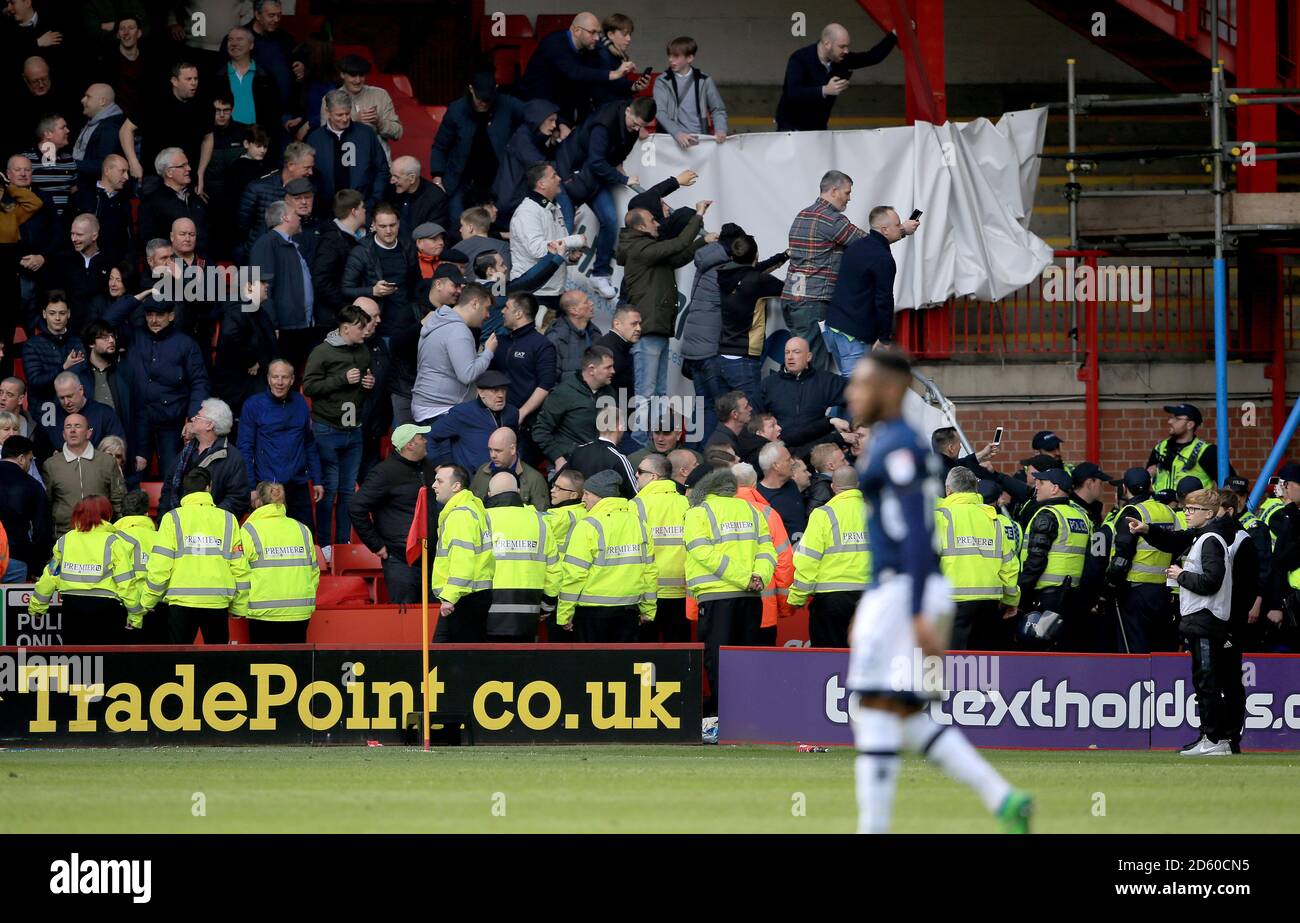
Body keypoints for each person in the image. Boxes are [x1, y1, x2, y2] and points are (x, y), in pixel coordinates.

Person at [844, 349, 1032, 834]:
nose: (851, 393)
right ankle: (1003, 798)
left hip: (906, 591)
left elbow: (913, 532)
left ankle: (874, 828)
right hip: (903, 592)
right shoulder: (900, 444)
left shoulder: (899, 448)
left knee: (870, 707)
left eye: (861, 384)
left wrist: (914, 612)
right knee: (902, 713)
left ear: (887, 390)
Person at [1129, 488, 1247, 756]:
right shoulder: (1204, 536)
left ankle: (1214, 739)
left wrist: (1181, 575)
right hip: (1202, 618)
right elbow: (1174, 539)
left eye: (1192, 509)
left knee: (1207, 682)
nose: (1187, 512)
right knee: (1205, 681)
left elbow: (1211, 581)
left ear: (1208, 513)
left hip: (1206, 618)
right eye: (1186, 508)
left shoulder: (1210, 540)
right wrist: (1148, 529)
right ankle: (1213, 738)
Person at [685, 467, 775, 721]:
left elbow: (702, 552)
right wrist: (758, 577)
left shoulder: (698, 513)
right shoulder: (751, 511)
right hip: (751, 597)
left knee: (718, 660)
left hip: (716, 597)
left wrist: (743, 577)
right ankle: (747, 717)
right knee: (746, 659)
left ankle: (723, 719)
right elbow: (767, 550)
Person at [143, 444, 249, 645]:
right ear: (209, 487)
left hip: (181, 602)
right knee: (217, 665)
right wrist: (239, 606)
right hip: (216, 601)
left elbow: (160, 566)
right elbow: (240, 567)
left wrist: (149, 599)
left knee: (178, 663)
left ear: (186, 489)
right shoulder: (228, 519)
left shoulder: (172, 519)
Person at [555, 96, 657, 297]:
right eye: (635, 124)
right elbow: (596, 162)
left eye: (641, 126)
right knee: (565, 227)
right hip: (570, 173)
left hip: (593, 179)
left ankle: (599, 274)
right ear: (628, 111)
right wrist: (622, 179)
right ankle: (554, 275)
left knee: (610, 220)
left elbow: (616, 155)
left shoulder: (632, 126)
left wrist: (618, 164)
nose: (637, 129)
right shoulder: (603, 124)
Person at [302, 303, 374, 559]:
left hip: (354, 430)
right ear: (345, 329)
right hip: (327, 429)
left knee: (347, 492)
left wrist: (367, 384)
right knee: (328, 489)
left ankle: (342, 544)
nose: (365, 331)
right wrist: (341, 380)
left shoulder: (363, 351)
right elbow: (308, 386)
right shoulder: (322, 352)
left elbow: (363, 388)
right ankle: (324, 546)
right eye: (360, 327)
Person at [556, 468, 656, 641]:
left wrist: (564, 614)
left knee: (593, 666)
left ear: (600, 496)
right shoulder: (639, 524)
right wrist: (648, 610)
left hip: (592, 614)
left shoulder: (588, 525)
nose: (583, 498)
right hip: (629, 610)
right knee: (622, 666)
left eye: (587, 494)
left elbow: (574, 575)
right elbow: (649, 572)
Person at [782, 171, 867, 371]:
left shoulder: (803, 214)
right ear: (834, 191)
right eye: (847, 192)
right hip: (812, 301)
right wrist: (900, 230)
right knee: (812, 365)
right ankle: (805, 402)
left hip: (792, 298)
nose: (849, 198)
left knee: (797, 360)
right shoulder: (830, 219)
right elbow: (866, 243)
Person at [29, 494, 140, 643]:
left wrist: (37, 607)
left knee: (77, 662)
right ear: (106, 514)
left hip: (72, 609)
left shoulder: (65, 541)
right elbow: (126, 582)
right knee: (106, 662)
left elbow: (50, 576)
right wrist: (135, 615)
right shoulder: (113, 542)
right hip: (106, 610)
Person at [933, 466, 1020, 651]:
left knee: (953, 663)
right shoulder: (993, 519)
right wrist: (1011, 600)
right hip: (989, 601)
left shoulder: (941, 516)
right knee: (982, 665)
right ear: (975, 490)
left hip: (952, 600)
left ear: (948, 490)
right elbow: (1009, 564)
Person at [237, 360, 323, 536]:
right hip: (268, 486)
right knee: (269, 539)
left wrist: (317, 479)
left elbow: (309, 443)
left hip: (297, 484)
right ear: (268, 379)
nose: (279, 382)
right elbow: (245, 448)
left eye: (284, 377)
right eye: (275, 377)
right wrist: (252, 488)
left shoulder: (300, 403)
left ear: (292, 380)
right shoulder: (253, 405)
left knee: (305, 537)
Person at [787, 464, 868, 647]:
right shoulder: (874, 512)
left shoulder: (823, 514)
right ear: (858, 485)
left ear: (833, 487)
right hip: (869, 597)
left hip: (831, 599)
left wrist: (797, 597)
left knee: (829, 661)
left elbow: (807, 559)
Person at [828, 206, 919, 367]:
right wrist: (884, 338)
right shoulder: (883, 258)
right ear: (884, 230)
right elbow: (884, 300)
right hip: (854, 333)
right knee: (856, 387)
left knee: (842, 382)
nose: (901, 227)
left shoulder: (855, 246)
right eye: (898, 225)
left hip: (834, 325)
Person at [350, 423, 430, 605]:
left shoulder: (427, 467)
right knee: (405, 623)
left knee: (434, 622)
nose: (425, 441)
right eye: (421, 438)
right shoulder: (384, 473)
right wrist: (376, 545)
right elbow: (356, 507)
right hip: (401, 561)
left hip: (430, 559)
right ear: (410, 445)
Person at [429, 70, 524, 220]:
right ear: (471, 89)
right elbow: (440, 146)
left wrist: (560, 124)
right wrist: (437, 177)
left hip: (497, 178)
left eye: (488, 100)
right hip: (461, 178)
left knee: (498, 220)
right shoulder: (456, 110)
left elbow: (533, 114)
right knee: (458, 221)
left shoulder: (507, 104)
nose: (484, 103)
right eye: (480, 99)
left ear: (496, 88)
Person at [775, 22, 899, 132]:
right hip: (791, 128)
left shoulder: (841, 59)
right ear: (827, 44)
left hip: (818, 128)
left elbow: (871, 57)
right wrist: (825, 90)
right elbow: (793, 92)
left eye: (847, 46)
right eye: (842, 46)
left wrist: (894, 35)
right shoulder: (800, 59)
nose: (846, 51)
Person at [482, 470, 560, 642]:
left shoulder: (480, 520)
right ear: (518, 492)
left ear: (489, 494)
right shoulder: (540, 522)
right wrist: (547, 606)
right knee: (522, 667)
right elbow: (554, 570)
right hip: (528, 615)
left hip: (485, 613)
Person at [1105, 467, 1177, 653]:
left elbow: (1122, 555)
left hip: (1135, 590)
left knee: (1134, 648)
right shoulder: (1167, 510)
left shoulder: (1132, 512)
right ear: (1151, 485)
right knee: (1159, 648)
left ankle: (1135, 682)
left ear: (1125, 488)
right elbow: (1177, 547)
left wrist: (1111, 585)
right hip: (1162, 589)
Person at [518, 12, 634, 128]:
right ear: (577, 31)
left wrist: (612, 47)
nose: (597, 38)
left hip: (563, 102)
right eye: (592, 32)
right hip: (537, 102)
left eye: (598, 33)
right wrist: (614, 74)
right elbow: (576, 72)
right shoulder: (554, 44)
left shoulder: (588, 45)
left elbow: (602, 43)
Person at [238, 480, 319, 644]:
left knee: (264, 665)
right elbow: (314, 572)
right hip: (299, 612)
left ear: (258, 501)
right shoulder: (302, 529)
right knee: (296, 665)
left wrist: (240, 607)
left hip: (263, 612)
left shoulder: (249, 530)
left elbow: (241, 573)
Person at [1018, 468, 1091, 648]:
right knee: (1063, 650)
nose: (1036, 487)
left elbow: (1036, 559)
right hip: (1072, 595)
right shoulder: (1081, 516)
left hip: (1046, 598)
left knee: (1038, 647)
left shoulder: (1048, 515)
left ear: (1054, 489)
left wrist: (1021, 593)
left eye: (1041, 483)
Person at [715, 233, 785, 405]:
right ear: (756, 255)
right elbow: (789, 290)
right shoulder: (757, 281)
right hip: (744, 358)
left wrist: (783, 257)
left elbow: (750, 272)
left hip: (722, 355)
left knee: (727, 417)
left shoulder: (725, 274)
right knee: (750, 416)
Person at [731, 462, 796, 646]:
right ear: (754, 484)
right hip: (763, 609)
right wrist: (784, 605)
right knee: (762, 668)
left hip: (725, 609)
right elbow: (784, 562)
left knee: (728, 669)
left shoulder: (714, 512)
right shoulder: (768, 514)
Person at [411, 282, 496, 423]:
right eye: (487, 308)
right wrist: (488, 352)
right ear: (474, 303)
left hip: (428, 406)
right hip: (440, 410)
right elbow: (467, 374)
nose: (488, 315)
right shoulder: (458, 330)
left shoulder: (439, 321)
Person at [430, 463, 495, 642]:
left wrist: (450, 598)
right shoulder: (473, 510)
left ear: (456, 486)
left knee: (447, 657)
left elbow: (462, 560)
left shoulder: (460, 515)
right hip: (473, 594)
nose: (434, 485)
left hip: (463, 597)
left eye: (439, 481)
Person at [509, 163, 585, 314]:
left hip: (552, 291)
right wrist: (575, 240)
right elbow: (537, 249)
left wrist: (570, 257)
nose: (559, 178)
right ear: (541, 184)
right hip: (534, 294)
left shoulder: (553, 208)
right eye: (554, 176)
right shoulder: (527, 212)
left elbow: (554, 250)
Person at [630, 453, 691, 641]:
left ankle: (649, 672)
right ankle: (678, 673)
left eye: (640, 472)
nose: (636, 475)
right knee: (680, 652)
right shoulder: (686, 503)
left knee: (646, 656)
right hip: (681, 591)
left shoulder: (635, 505)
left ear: (654, 476)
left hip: (647, 592)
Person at [489, 292, 557, 459]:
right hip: (494, 419)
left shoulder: (542, 345)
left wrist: (522, 413)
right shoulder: (500, 341)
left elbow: (546, 384)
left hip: (525, 426)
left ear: (518, 313)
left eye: (507, 307)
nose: (503, 311)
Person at [342, 201, 420, 344]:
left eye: (392, 225)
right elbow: (346, 289)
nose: (388, 231)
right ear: (374, 225)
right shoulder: (361, 252)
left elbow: (416, 283)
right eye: (383, 226)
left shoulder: (408, 246)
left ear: (399, 223)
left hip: (408, 323)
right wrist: (372, 291)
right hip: (377, 327)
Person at [161, 398, 250, 519]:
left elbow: (238, 499)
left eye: (198, 416)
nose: (192, 419)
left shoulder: (233, 458)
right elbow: (168, 489)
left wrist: (207, 518)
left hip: (212, 530)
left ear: (209, 425)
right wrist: (164, 520)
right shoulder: (185, 452)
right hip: (179, 525)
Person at [532, 345, 616, 468]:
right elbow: (540, 430)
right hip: (569, 465)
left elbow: (612, 431)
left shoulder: (610, 393)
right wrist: (558, 458)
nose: (613, 371)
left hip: (599, 464)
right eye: (608, 367)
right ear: (591, 369)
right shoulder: (563, 393)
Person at [45, 412, 125, 538]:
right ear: (63, 434)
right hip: (64, 536)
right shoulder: (51, 465)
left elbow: (118, 500)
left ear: (89, 433)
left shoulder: (107, 461)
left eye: (77, 426)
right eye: (68, 426)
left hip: (102, 535)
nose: (72, 430)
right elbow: (47, 503)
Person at [308, 89, 388, 211]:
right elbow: (310, 175)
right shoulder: (314, 139)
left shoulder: (366, 134)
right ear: (328, 112)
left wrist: (374, 200)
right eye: (339, 115)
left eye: (347, 113)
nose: (345, 119)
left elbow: (382, 168)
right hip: (326, 211)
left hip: (363, 207)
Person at [427, 369, 519, 472]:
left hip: (505, 477)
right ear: (481, 392)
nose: (501, 395)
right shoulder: (463, 413)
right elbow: (430, 435)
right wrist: (438, 466)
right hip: (473, 481)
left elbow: (515, 442)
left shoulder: (512, 413)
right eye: (494, 390)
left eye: (503, 389)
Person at [238, 141, 316, 256]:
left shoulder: (311, 190)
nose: (311, 172)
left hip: (294, 254)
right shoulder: (258, 188)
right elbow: (242, 227)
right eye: (307, 168)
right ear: (291, 166)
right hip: (261, 254)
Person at [493, 99, 565, 224]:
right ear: (538, 118)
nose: (554, 125)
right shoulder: (522, 139)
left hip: (515, 199)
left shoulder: (532, 135)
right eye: (551, 120)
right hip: (510, 203)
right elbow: (541, 166)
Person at [322, 53, 403, 163]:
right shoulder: (330, 98)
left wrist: (379, 122)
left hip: (378, 165)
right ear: (342, 74)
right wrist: (353, 120)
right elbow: (324, 135)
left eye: (362, 75)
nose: (358, 80)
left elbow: (397, 133)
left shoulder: (380, 95)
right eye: (353, 75)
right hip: (345, 163)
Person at [655, 36, 729, 149]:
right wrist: (677, 133)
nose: (670, 59)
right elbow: (660, 112)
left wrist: (721, 129)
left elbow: (717, 109)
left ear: (689, 58)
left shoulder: (704, 80)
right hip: (671, 141)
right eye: (669, 55)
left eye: (676, 56)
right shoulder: (662, 81)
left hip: (700, 139)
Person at [137, 145, 209, 256]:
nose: (189, 168)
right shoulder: (151, 203)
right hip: (170, 263)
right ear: (169, 173)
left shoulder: (197, 198)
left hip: (202, 261)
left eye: (188, 164)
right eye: (183, 166)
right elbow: (149, 241)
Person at [22, 293, 87, 413]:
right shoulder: (31, 345)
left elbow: (84, 377)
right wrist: (64, 367)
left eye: (62, 313)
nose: (57, 318)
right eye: (52, 313)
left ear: (68, 314)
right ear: (44, 314)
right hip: (44, 409)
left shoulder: (78, 342)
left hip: (76, 409)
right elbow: (35, 382)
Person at [0, 435, 53, 581]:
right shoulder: (33, 486)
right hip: (16, 557)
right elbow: (42, 530)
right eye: (30, 460)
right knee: (12, 603)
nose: (29, 465)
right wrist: (37, 566)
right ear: (21, 458)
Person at [1148, 403, 1232, 493]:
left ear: (1190, 424)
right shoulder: (1160, 448)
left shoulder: (1207, 451)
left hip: (1192, 506)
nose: (1170, 422)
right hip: (1160, 505)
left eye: (1176, 418)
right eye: (1170, 418)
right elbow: (1148, 479)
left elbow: (1228, 484)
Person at [312, 188, 367, 323]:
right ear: (354, 212)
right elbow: (321, 281)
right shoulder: (331, 240)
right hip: (336, 317)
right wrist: (347, 308)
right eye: (363, 207)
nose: (365, 211)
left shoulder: (350, 238)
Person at [68, 154, 132, 264]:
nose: (127, 177)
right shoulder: (82, 196)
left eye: (127, 172)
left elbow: (128, 237)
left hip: (113, 265)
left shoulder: (124, 202)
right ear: (107, 171)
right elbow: (66, 227)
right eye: (122, 171)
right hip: (80, 262)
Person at [470, 426, 548, 510]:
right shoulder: (483, 471)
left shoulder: (534, 479)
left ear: (513, 449)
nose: (493, 455)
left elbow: (542, 515)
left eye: (498, 451)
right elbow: (471, 504)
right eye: (490, 450)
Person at [45, 371, 126, 450]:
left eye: (69, 396)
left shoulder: (104, 413)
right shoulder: (52, 416)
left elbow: (118, 448)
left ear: (81, 390)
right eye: (62, 398)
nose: (66, 402)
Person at [563, 416, 638, 499]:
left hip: (576, 509)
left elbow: (562, 481)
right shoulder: (618, 458)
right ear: (619, 427)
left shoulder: (578, 450)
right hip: (605, 510)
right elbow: (635, 494)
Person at [386, 155, 450, 247]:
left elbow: (432, 235)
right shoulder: (390, 190)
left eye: (396, 177)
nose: (392, 181)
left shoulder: (435, 198)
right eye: (391, 175)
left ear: (412, 178)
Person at [72, 83, 125, 189]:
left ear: (102, 101)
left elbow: (105, 164)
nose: (83, 100)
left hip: (96, 193)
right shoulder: (94, 122)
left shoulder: (110, 128)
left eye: (88, 97)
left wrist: (72, 164)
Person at [757, 441, 808, 542]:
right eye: (788, 460)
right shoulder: (759, 496)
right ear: (776, 466)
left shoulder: (792, 485)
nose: (793, 462)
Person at [546, 289, 603, 376]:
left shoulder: (595, 333)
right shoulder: (556, 338)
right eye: (586, 302)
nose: (592, 303)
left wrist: (623, 390)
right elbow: (549, 379)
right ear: (574, 311)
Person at [595, 304, 640, 397]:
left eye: (640, 324)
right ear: (617, 324)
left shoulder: (624, 345)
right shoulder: (606, 347)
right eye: (634, 324)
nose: (639, 328)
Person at [804, 442, 847, 513]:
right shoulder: (822, 488)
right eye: (843, 460)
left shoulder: (825, 484)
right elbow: (812, 515)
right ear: (831, 466)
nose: (847, 463)